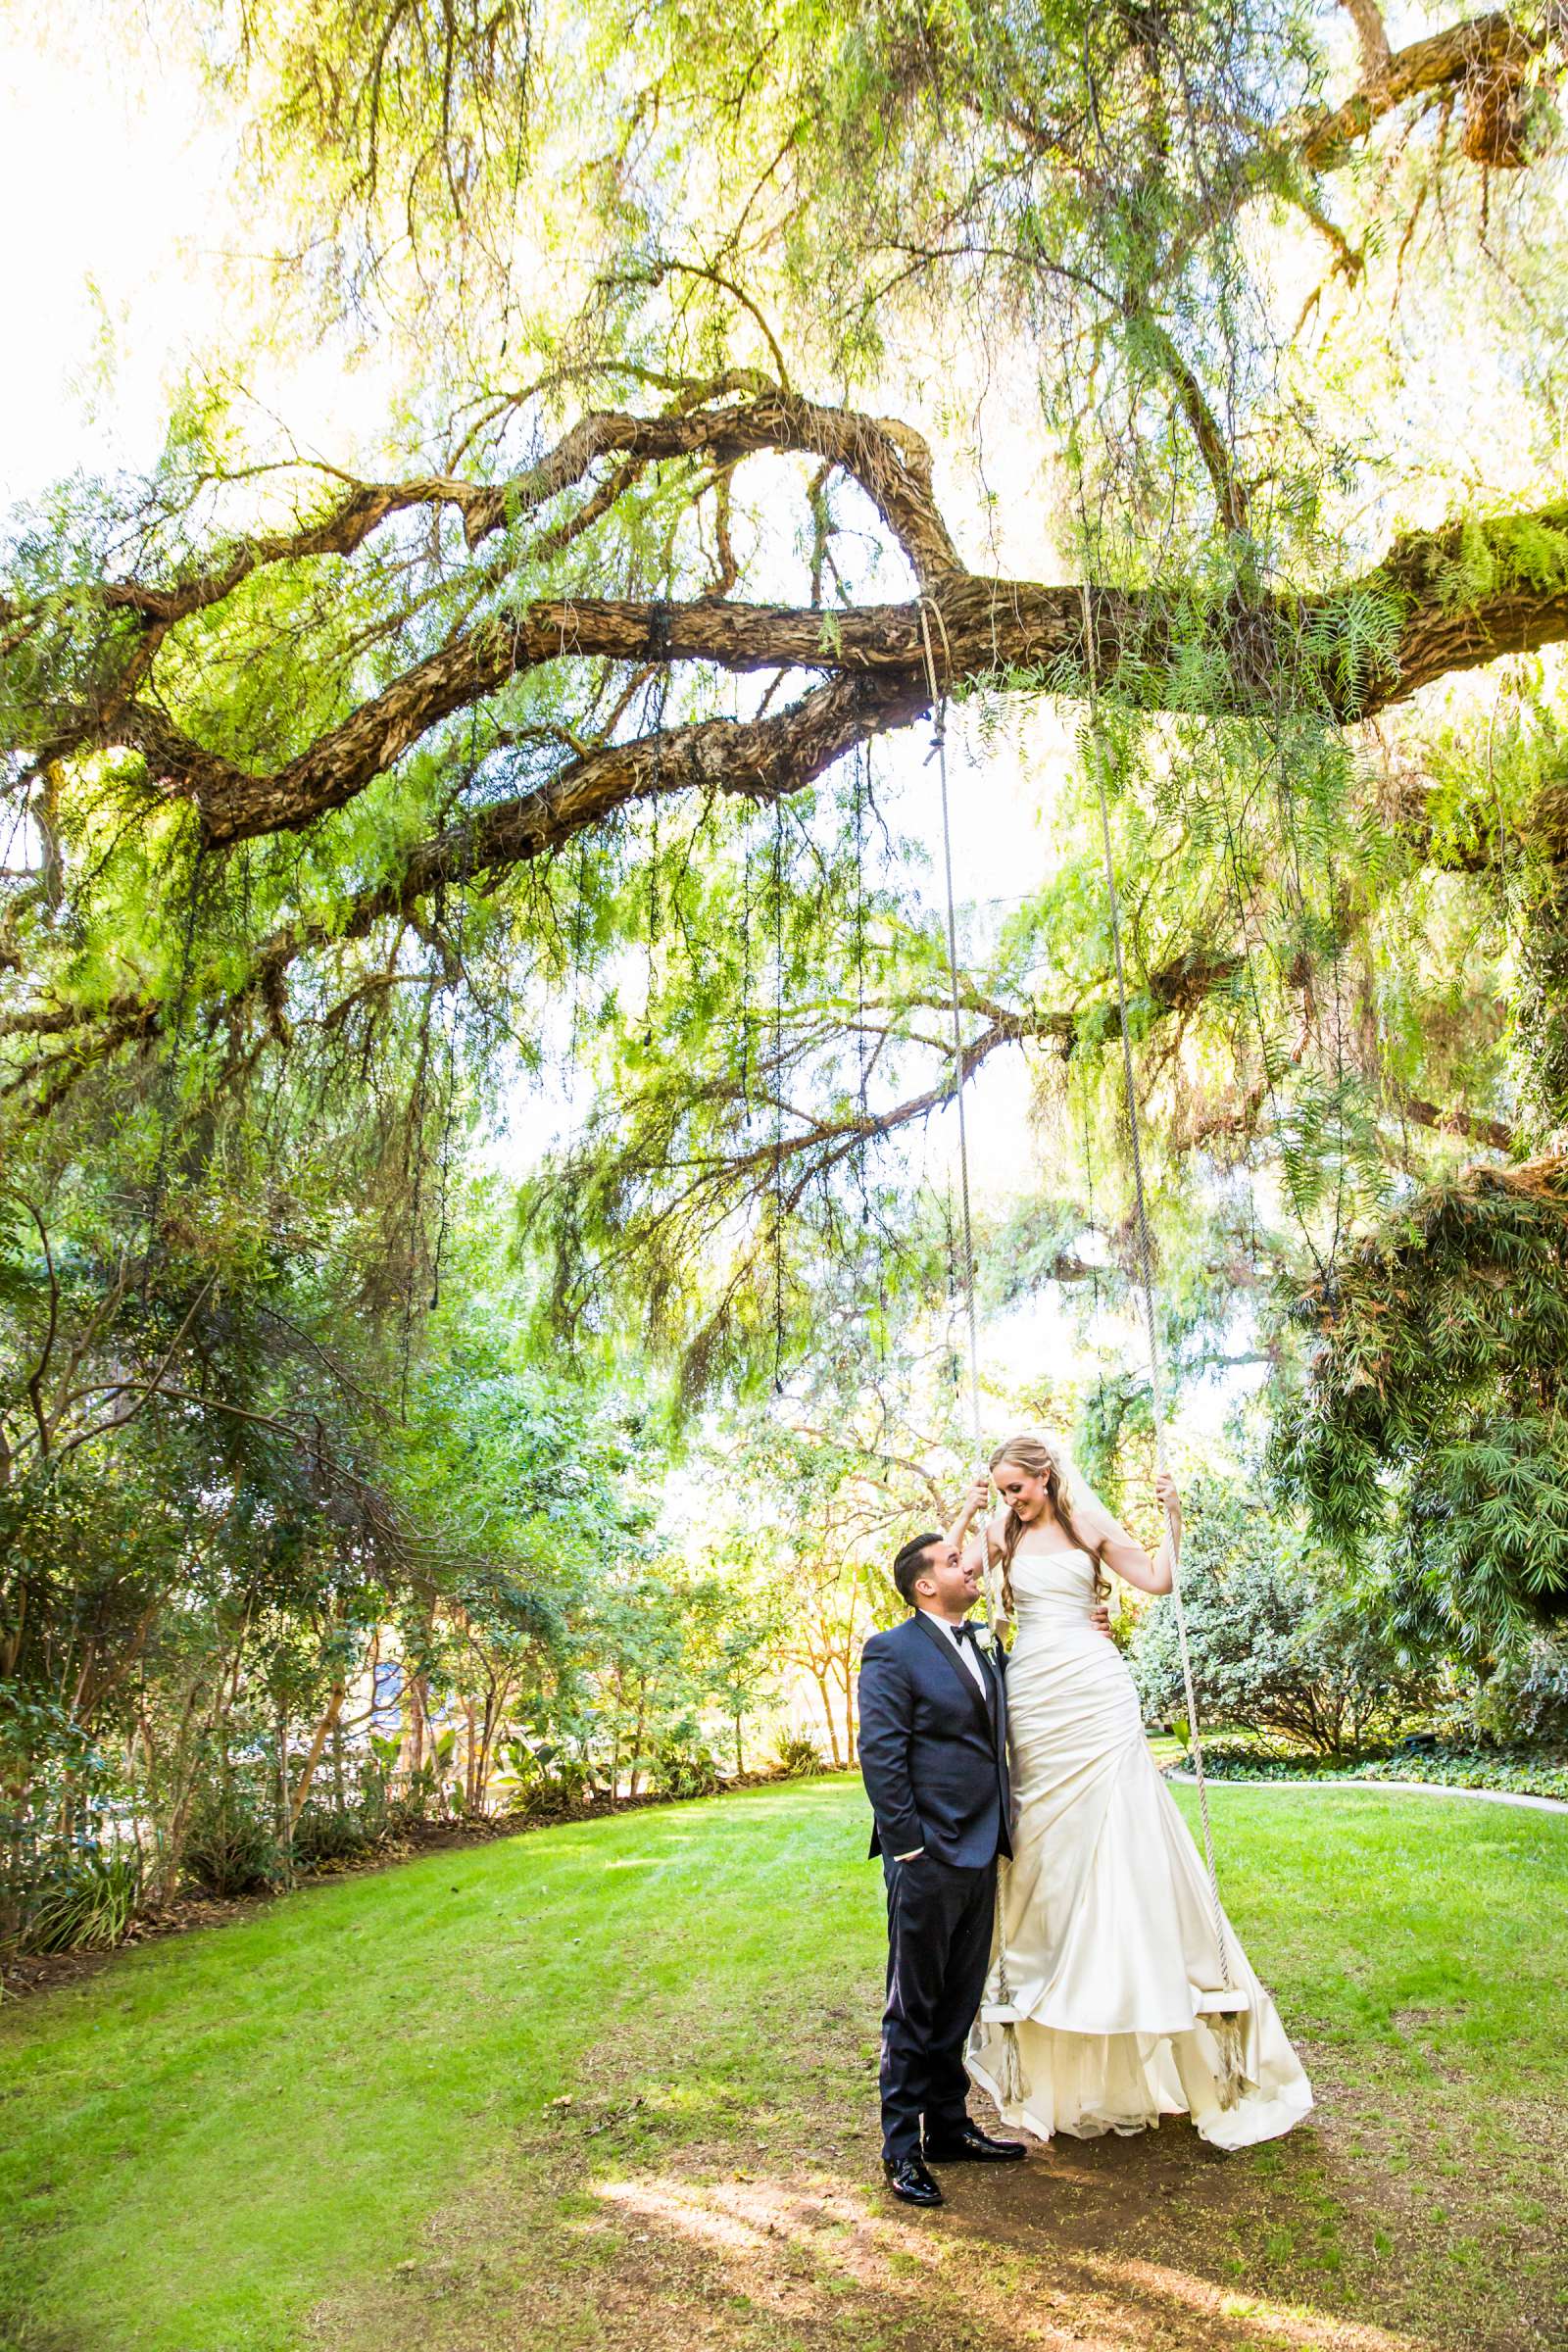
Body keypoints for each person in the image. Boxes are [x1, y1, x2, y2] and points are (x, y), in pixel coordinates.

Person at [954, 1434, 1314, 2150]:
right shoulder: (1002, 1531)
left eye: (1015, 1488)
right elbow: (956, 1579)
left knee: (1121, 1828)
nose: (1009, 1499)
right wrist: (967, 1514)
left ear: (1045, 1477)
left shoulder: (1087, 1522)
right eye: (1000, 1490)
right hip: (1033, 1693)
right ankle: (1051, 1994)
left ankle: (1141, 1979)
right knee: (1045, 1849)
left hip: (1093, 1685)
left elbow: (1154, 1579)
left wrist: (1173, 1520)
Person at [857, 1520, 1113, 2204]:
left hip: (982, 1847)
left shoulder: (985, 1644)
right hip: (927, 1854)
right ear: (924, 1584)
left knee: (960, 1999)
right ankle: (901, 2152)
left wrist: (1090, 1640)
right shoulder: (891, 1652)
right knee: (914, 2004)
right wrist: (908, 1844)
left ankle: (947, 2127)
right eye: (952, 1561)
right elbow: (881, 1757)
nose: (967, 1567)